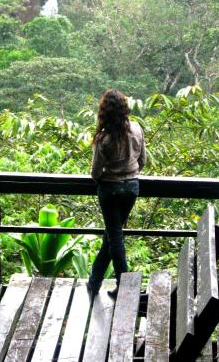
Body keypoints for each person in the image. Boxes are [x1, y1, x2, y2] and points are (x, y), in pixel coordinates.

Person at [87, 89, 146, 299]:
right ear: (125, 108)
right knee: (113, 235)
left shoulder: (103, 138)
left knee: (114, 236)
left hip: (110, 190)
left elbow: (95, 173)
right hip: (132, 187)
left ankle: (125, 285)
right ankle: (94, 282)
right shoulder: (137, 129)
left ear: (104, 111)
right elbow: (143, 162)